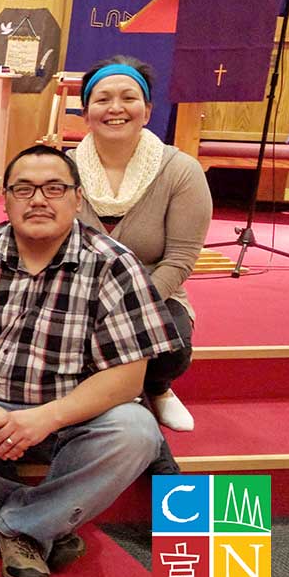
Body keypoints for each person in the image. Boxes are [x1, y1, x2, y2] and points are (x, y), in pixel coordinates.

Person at [0, 145, 185, 577]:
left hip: (75, 416)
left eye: (54, 188)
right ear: (5, 198)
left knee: (137, 429)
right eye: (24, 189)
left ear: (77, 199)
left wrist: (47, 417)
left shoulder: (114, 263)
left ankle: (19, 526)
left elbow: (128, 379)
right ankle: (43, 523)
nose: (38, 199)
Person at [75, 55, 211, 433]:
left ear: (147, 110)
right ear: (86, 111)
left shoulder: (180, 171)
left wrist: (127, 305)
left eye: (128, 98)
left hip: (154, 294)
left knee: (171, 346)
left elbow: (181, 259)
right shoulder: (63, 170)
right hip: (76, 295)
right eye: (102, 99)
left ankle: (157, 386)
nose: (115, 108)